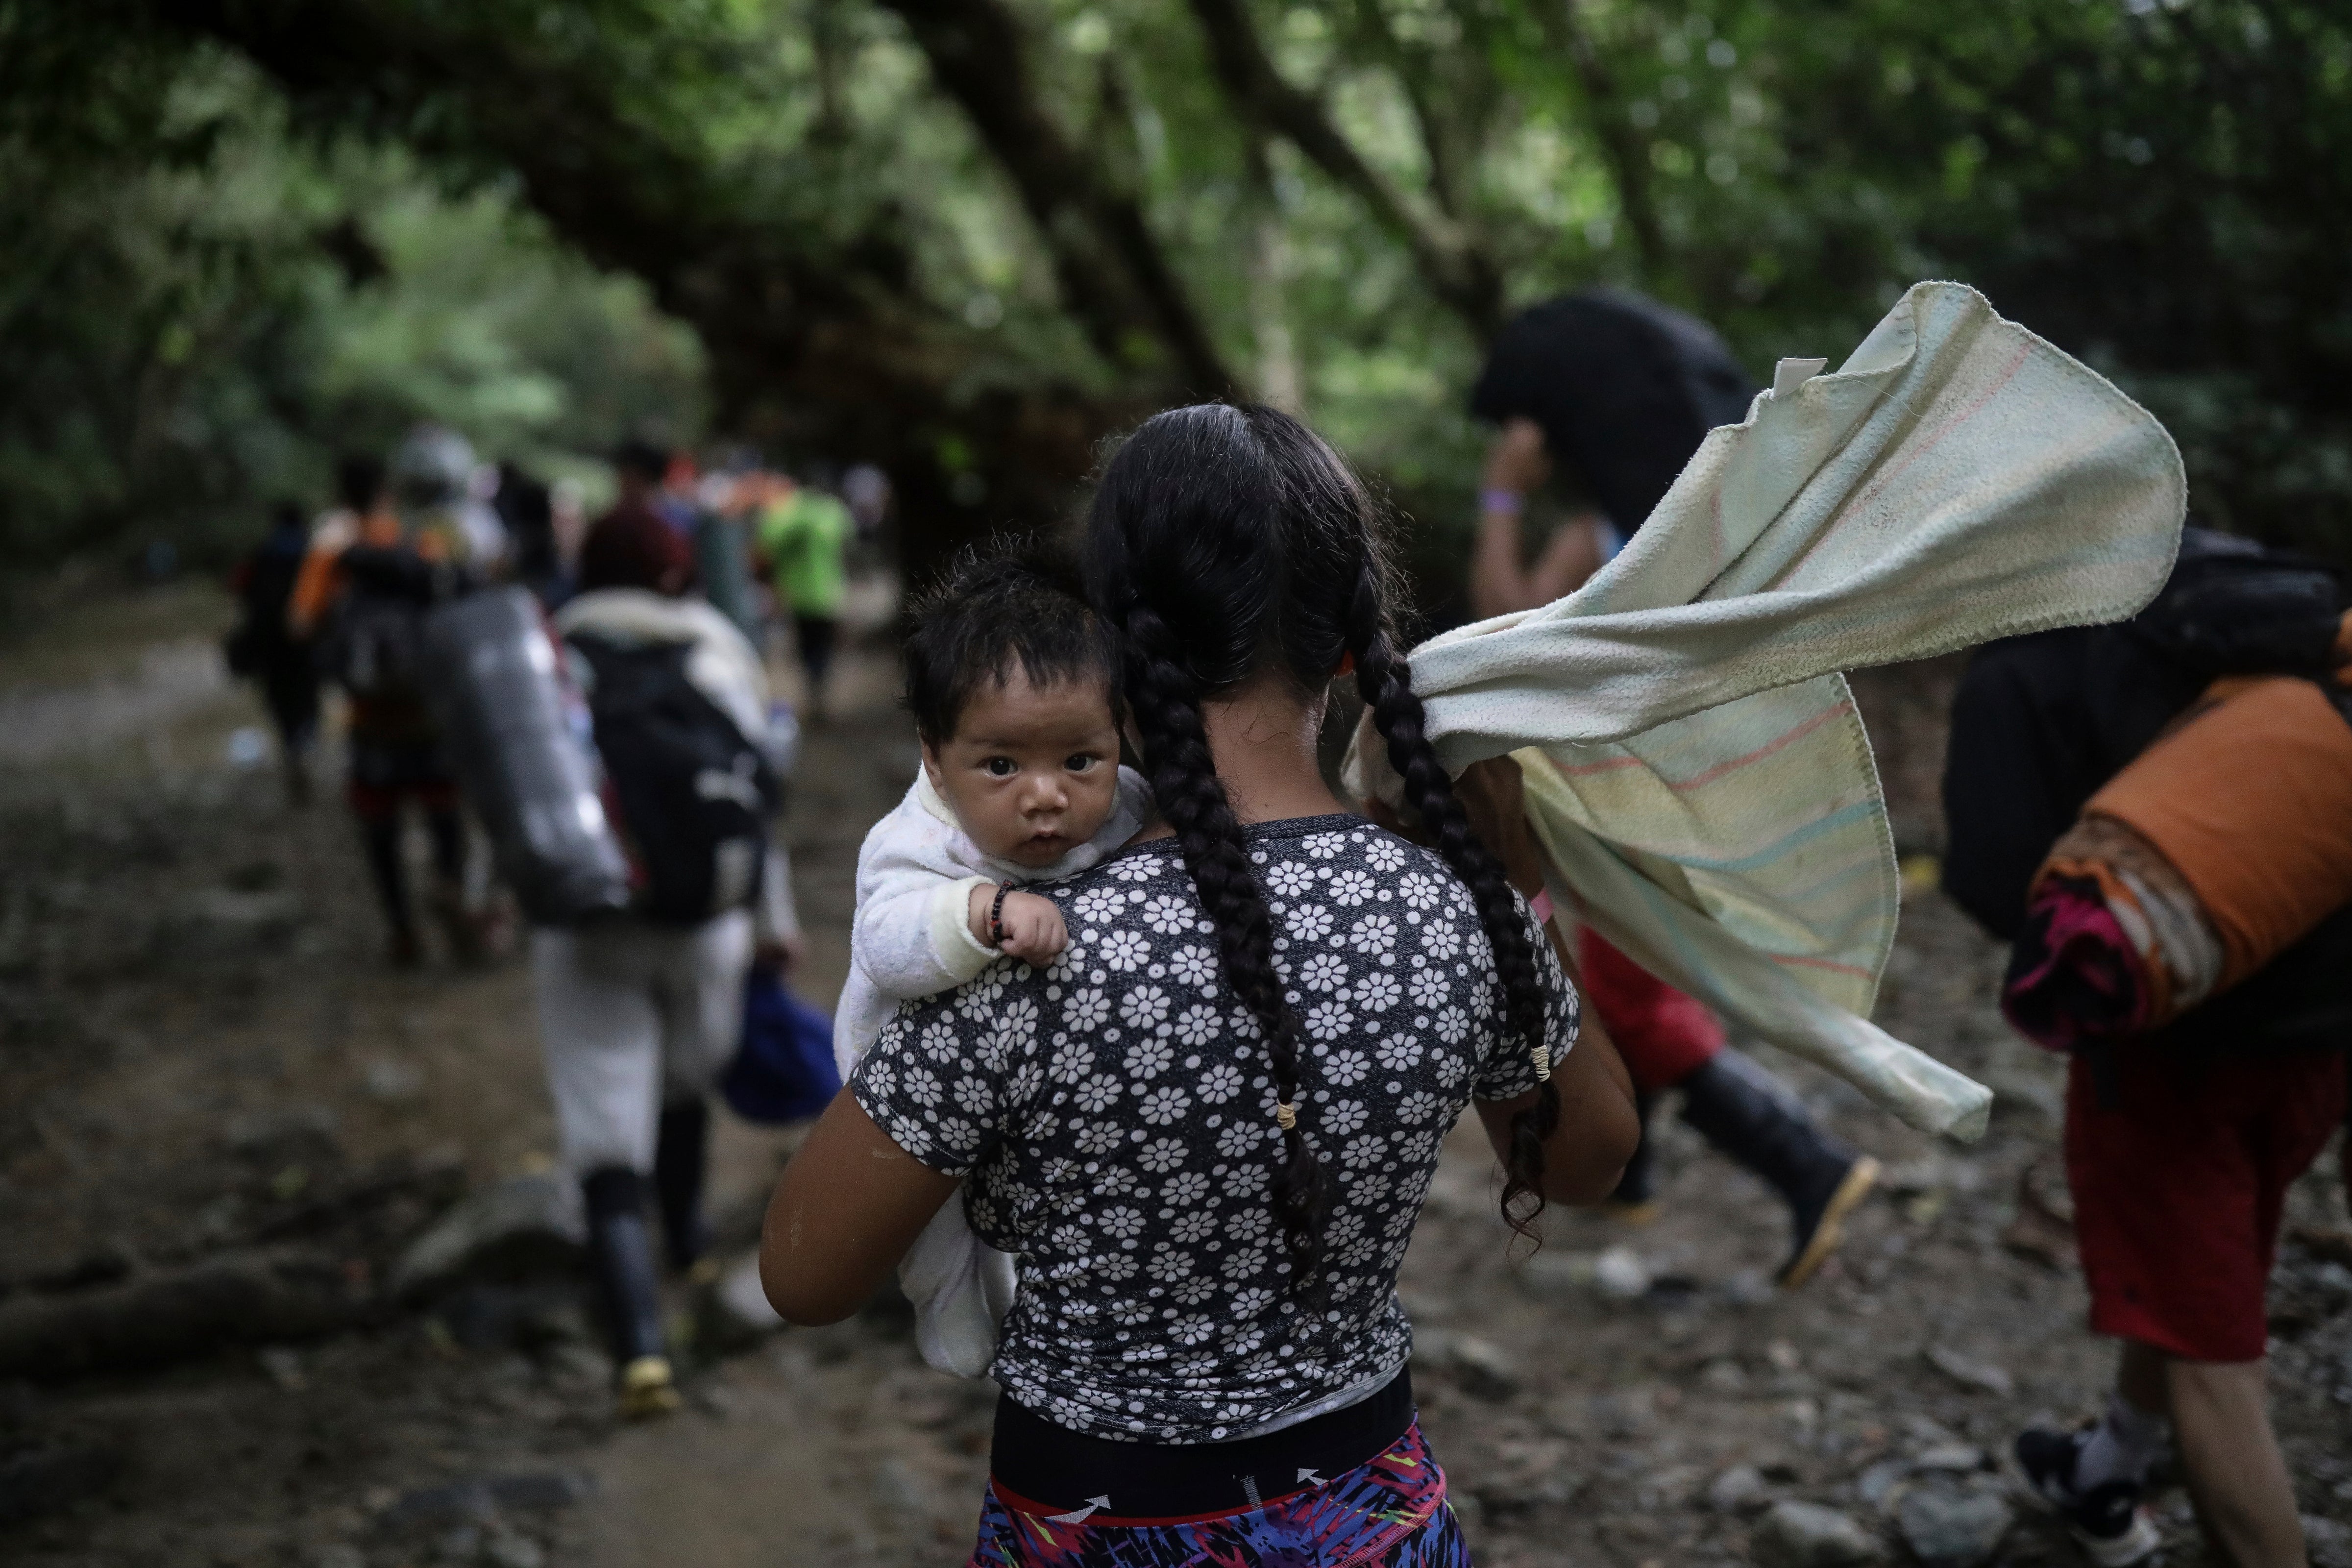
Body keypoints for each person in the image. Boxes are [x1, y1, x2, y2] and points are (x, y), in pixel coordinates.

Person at [762, 403, 1638, 1564]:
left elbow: (805, 1273)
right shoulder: (1447, 905)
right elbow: (1586, 1161)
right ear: (1343, 641)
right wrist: (1509, 890)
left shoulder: (1024, 945)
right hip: (1369, 1522)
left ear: (1112, 643)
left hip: (1092, 1527)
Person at [1946, 527, 2352, 1568]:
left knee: (2217, 1360)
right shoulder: (2223, 583)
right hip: (2320, 1033)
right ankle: (2109, 1467)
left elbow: (2001, 891)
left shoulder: (2013, 672)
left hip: (2180, 1059)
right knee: (2201, 1278)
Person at [1467, 290, 1877, 1286]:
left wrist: (1498, 500)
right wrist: (1509, 497)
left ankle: (1810, 1163)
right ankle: (1630, 1172)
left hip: (1659, 787)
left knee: (1634, 997)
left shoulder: (1658, 536)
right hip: (1634, 786)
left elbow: (1507, 633)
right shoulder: (1628, 526)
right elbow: (1513, 629)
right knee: (1619, 972)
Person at [833, 545, 1153, 1376]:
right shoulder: (918, 840)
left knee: (1020, 1221)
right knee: (939, 1226)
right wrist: (984, 910)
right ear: (936, 758)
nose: (1045, 795)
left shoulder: (1124, 806)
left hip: (1038, 1086)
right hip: (909, 1070)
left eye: (1080, 760)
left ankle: (1013, 1301)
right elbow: (886, 945)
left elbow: (1157, 837)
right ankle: (945, 1309)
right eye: (1002, 766)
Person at [539, 502, 802, 1420]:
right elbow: (756, 796)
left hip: (588, 927)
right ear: (676, 571)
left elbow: (520, 805)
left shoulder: (551, 657)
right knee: (687, 1076)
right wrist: (774, 919)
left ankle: (639, 1349)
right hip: (707, 919)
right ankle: (689, 1240)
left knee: (602, 1117)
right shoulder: (714, 647)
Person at [289, 453, 478, 967]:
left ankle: (402, 931)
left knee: (380, 827)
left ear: (340, 495)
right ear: (387, 493)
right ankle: (452, 891)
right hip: (430, 711)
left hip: (370, 718)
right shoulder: (418, 541)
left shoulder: (333, 554)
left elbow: (300, 625)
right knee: (445, 814)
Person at [225, 500, 322, 806]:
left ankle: (292, 746)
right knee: (308, 697)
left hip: (268, 643)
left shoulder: (261, 553)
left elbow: (237, 588)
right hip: (305, 641)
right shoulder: (312, 553)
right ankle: (304, 744)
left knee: (280, 700)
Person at [754, 472, 853, 714]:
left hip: (798, 595)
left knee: (807, 646)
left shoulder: (785, 514)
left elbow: (764, 547)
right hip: (829, 591)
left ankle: (815, 690)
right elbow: (847, 539)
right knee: (823, 645)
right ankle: (821, 690)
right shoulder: (832, 511)